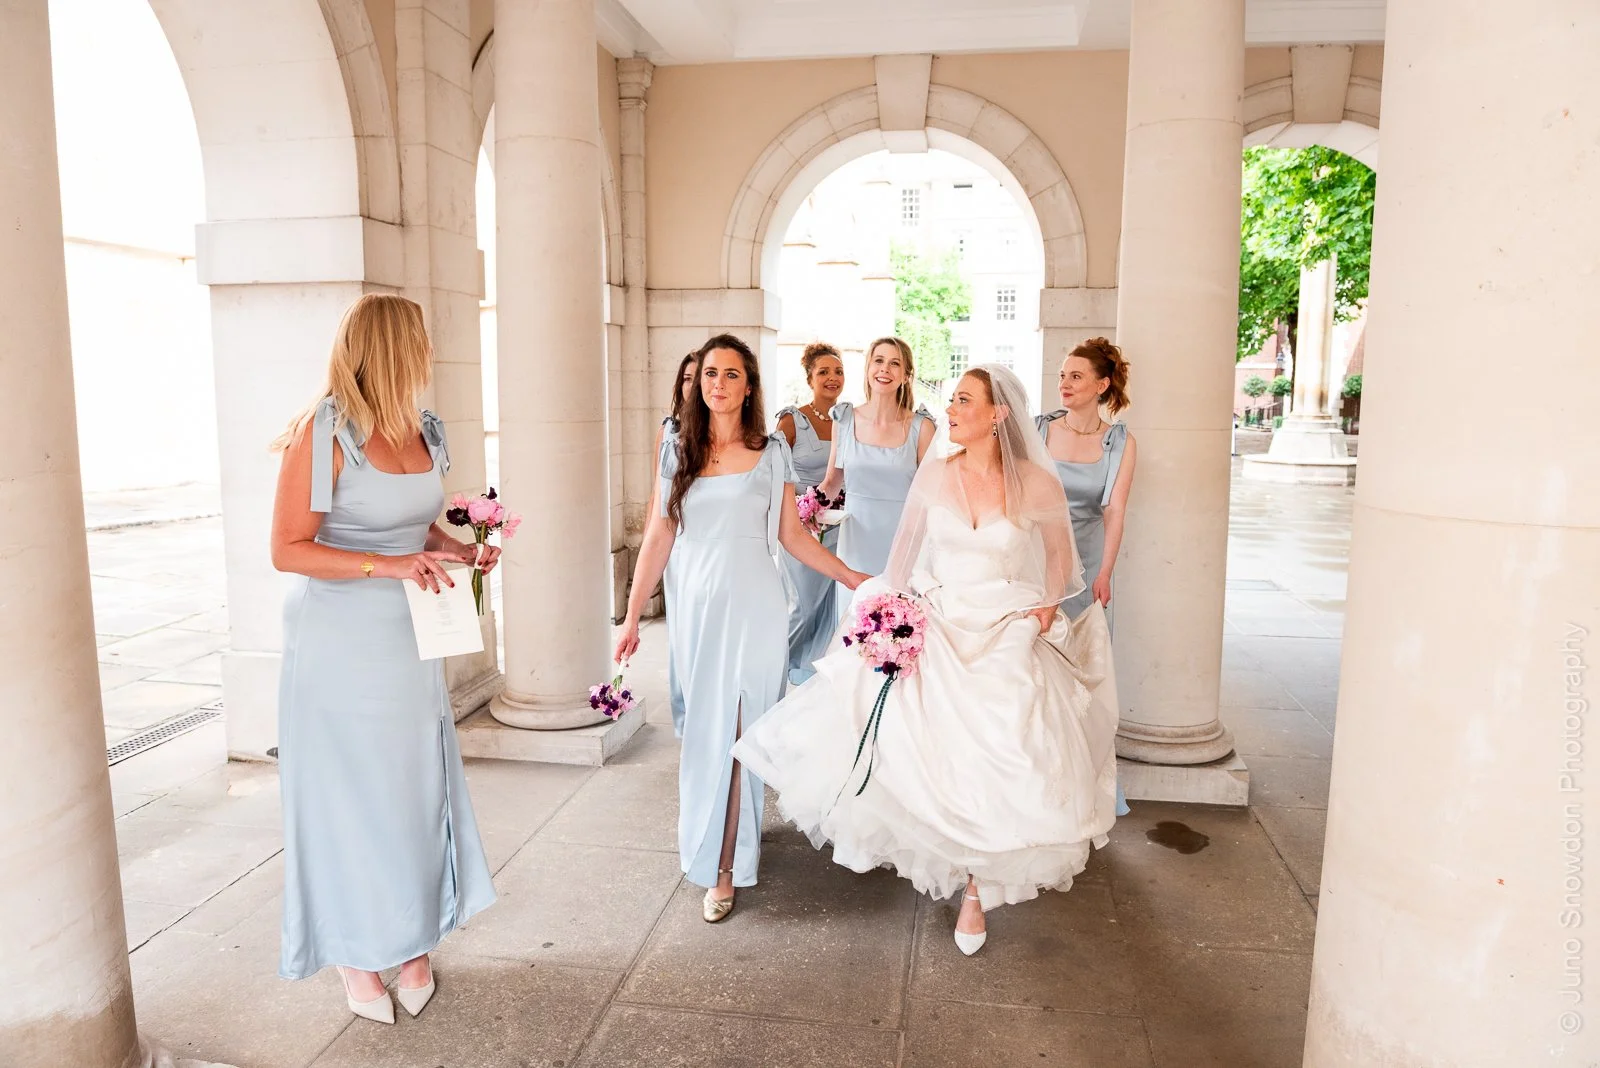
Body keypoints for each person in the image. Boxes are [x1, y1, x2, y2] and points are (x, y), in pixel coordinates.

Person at [733, 365, 1121, 956]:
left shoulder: (1037, 485)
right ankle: (952, 850)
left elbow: (1060, 572)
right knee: (930, 745)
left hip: (1004, 623)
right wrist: (892, 619)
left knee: (1008, 732)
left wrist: (1037, 615)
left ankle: (975, 885)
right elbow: (900, 565)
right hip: (940, 616)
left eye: (965, 401)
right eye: (952, 401)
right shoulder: (935, 476)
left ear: (998, 415)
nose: (952, 411)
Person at [270, 294, 497, 1023]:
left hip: (409, 641)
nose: (426, 354)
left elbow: (410, 522)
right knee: (349, 797)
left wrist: (455, 549)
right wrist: (389, 568)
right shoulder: (323, 431)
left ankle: (410, 936)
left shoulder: (423, 428)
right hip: (339, 644)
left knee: (408, 788)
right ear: (393, 347)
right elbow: (287, 549)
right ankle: (353, 950)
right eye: (418, 341)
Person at [614, 334, 868, 923]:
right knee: (705, 732)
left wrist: (851, 575)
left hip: (754, 605)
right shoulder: (677, 446)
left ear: (748, 385)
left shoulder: (771, 448)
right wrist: (630, 617)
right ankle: (708, 846)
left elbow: (793, 536)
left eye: (730, 374)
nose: (717, 384)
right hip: (698, 609)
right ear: (698, 383)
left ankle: (727, 865)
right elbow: (659, 535)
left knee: (740, 730)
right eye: (709, 374)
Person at [815, 337, 935, 602]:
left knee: (900, 625)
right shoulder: (844, 420)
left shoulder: (922, 427)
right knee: (853, 621)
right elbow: (833, 482)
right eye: (879, 361)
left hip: (904, 540)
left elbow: (932, 497)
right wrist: (805, 510)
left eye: (895, 364)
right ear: (868, 367)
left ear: (906, 375)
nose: (884, 369)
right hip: (855, 542)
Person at [1034, 338, 1136, 626]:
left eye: (1076, 377)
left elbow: (1114, 511)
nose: (1064, 384)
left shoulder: (1121, 443)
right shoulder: (1038, 429)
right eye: (1062, 376)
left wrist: (1104, 573)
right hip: (1037, 557)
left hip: (1088, 560)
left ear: (1101, 386)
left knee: (1081, 651)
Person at [775, 342, 846, 683]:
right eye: (824, 372)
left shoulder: (849, 419)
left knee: (829, 606)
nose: (832, 378)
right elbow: (771, 473)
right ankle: (770, 668)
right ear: (809, 378)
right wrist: (794, 511)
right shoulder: (792, 420)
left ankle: (809, 674)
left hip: (839, 527)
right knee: (801, 607)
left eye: (838, 371)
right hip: (800, 526)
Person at [651, 351, 699, 737]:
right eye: (686, 378)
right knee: (682, 633)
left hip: (713, 546)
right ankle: (686, 718)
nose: (693, 384)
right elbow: (657, 499)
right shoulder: (668, 431)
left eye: (700, 377)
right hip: (677, 546)